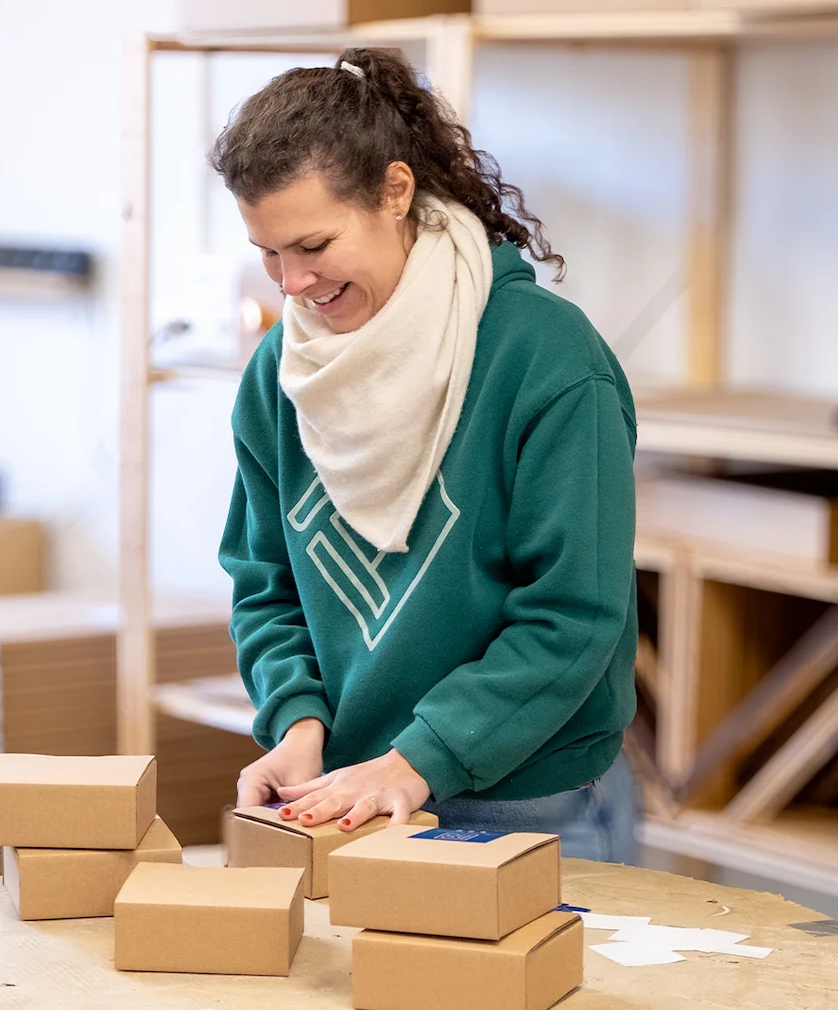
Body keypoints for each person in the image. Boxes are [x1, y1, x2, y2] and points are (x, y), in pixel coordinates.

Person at [211, 46, 639, 864]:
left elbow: (572, 616)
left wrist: (419, 761)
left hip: (532, 803)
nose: (291, 284)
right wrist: (297, 722)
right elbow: (265, 585)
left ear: (395, 193)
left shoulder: (546, 362)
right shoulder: (283, 373)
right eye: (269, 253)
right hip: (352, 797)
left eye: (313, 243)